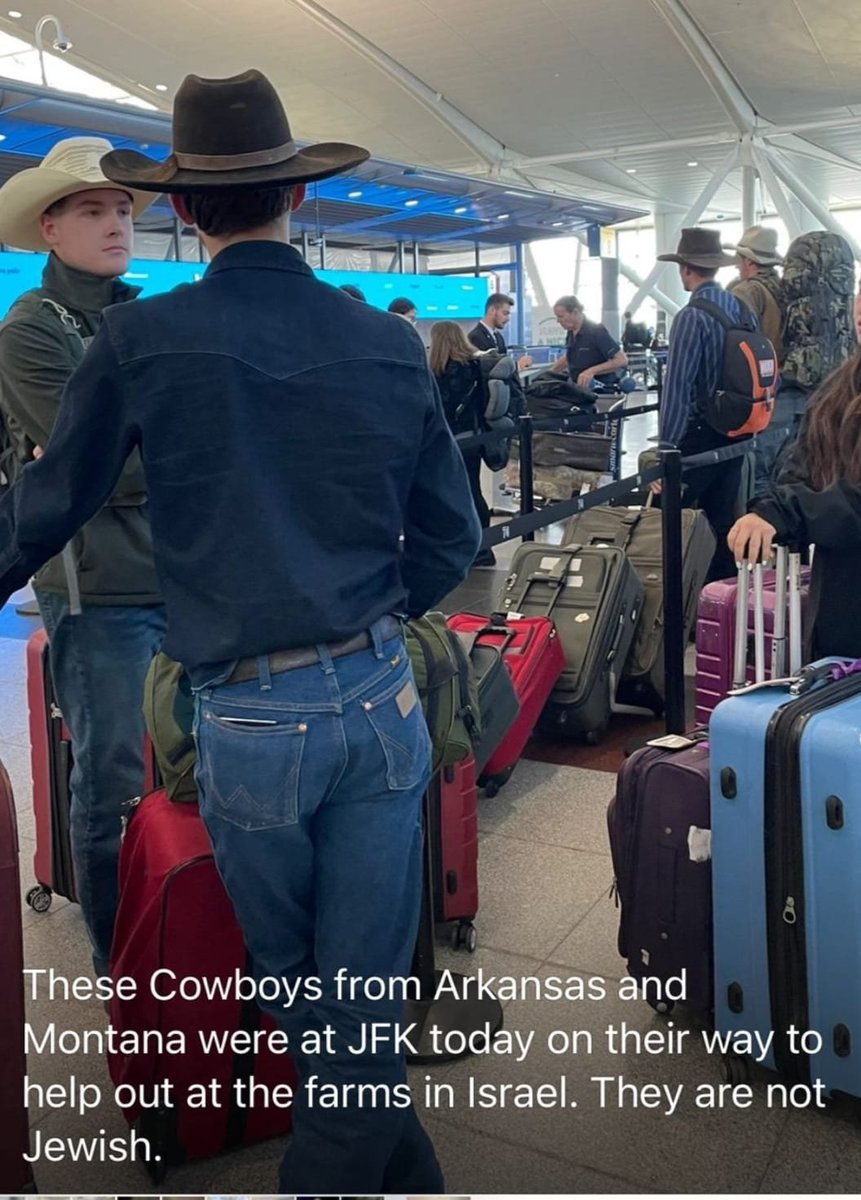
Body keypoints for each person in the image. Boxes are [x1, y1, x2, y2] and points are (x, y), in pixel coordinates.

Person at [0, 70, 479, 1192]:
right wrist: (366, 613)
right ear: (296, 201)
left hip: (248, 715)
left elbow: (41, 509)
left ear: (178, 211)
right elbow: (452, 541)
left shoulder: (140, 345)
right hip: (378, 695)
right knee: (358, 984)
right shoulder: (384, 344)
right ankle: (400, 1176)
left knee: (298, 975)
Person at [0, 137, 166, 978]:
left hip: (179, 577)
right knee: (108, 778)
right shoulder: (29, 331)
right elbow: (90, 472)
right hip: (96, 590)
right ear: (50, 227)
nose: (115, 224)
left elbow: (123, 455)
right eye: (94, 209)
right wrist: (150, 454)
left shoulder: (142, 318)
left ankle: (185, 923)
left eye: (124, 210)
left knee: (190, 758)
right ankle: (121, 962)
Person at [728, 298, 861, 659]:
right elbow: (800, 467)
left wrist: (787, 513)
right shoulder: (838, 392)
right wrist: (767, 512)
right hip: (841, 611)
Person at [652, 227, 750, 582]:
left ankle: (677, 605)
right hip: (736, 432)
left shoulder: (692, 316)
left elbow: (678, 386)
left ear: (686, 268)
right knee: (723, 522)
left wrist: (666, 448)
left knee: (671, 523)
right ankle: (719, 604)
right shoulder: (741, 309)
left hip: (698, 438)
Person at [429, 320, 497, 568]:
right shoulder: (475, 365)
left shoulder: (444, 370)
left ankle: (472, 548)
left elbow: (441, 408)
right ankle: (482, 546)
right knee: (473, 490)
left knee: (456, 492)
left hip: (453, 439)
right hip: (474, 436)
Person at [549, 294, 631, 392]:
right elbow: (571, 357)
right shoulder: (571, 332)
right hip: (579, 390)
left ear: (575, 312)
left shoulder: (596, 331)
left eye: (561, 316)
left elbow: (622, 360)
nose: (558, 321)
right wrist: (550, 373)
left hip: (600, 392)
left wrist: (591, 371)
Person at [468, 290, 532, 370]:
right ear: (492, 310)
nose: (508, 319)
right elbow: (486, 370)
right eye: (505, 313)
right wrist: (517, 366)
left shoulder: (499, 337)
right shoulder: (476, 337)